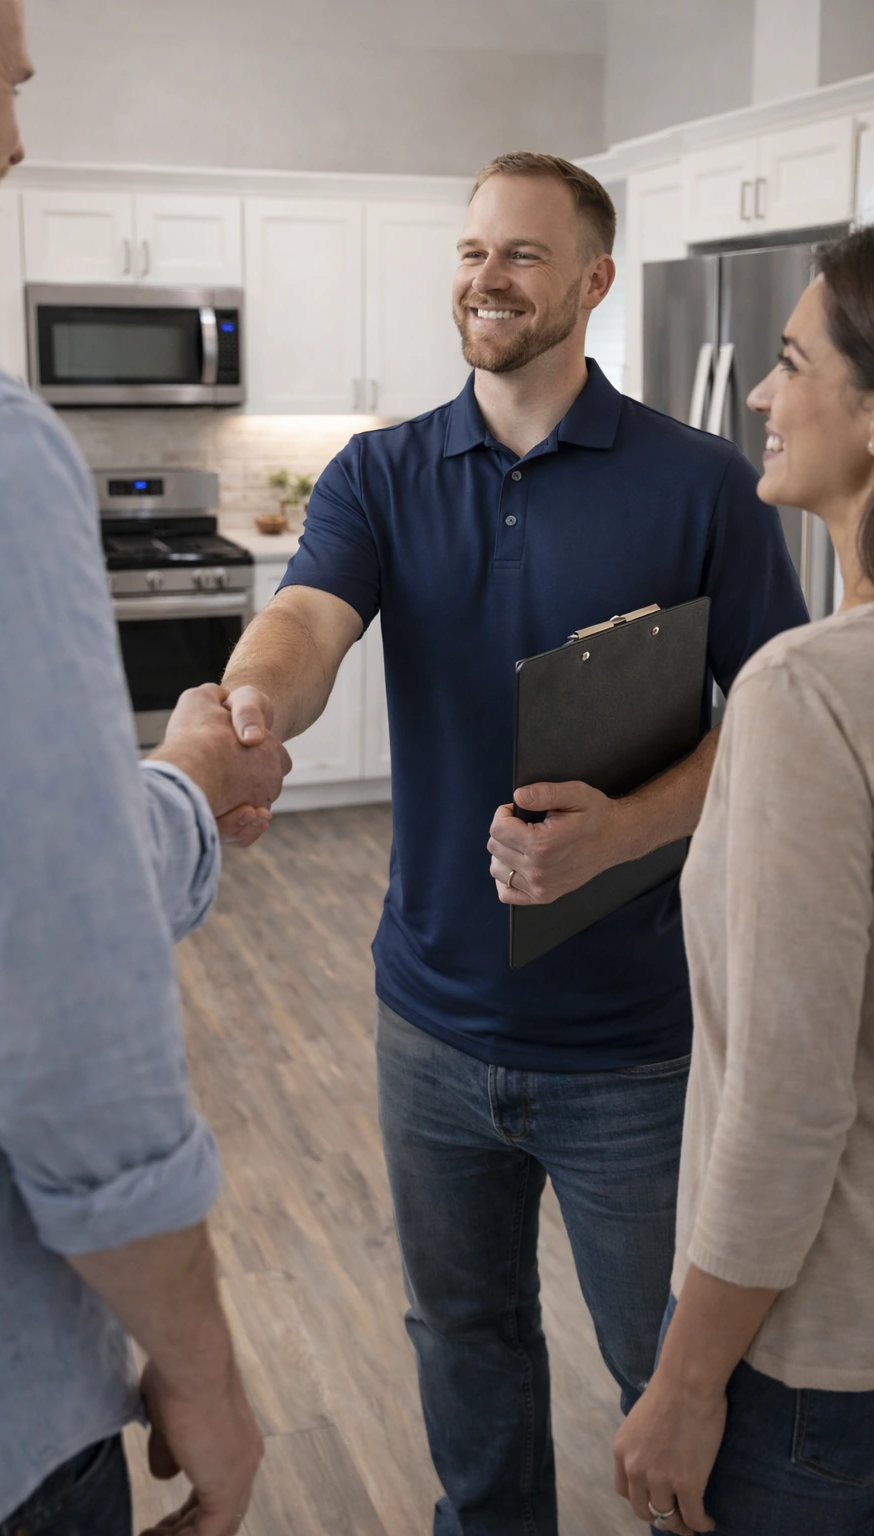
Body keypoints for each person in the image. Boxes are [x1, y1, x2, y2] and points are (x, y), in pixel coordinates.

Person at [218, 150, 809, 1535]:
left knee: (666, 1382)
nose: (487, 278)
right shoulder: (382, 473)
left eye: (523, 254)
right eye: (473, 250)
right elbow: (306, 622)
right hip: (429, 1023)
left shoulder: (702, 482)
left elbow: (778, 721)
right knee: (463, 1342)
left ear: (594, 282)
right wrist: (249, 703)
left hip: (635, 1045)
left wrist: (629, 831)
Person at [0, 2, 290, 1534]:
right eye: (15, 79)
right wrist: (206, 1376)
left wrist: (170, 793)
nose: (22, 138)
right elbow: (68, 1031)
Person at [612, 228, 874, 1536]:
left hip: (816, 1351)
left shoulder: (807, 690)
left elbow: (787, 1093)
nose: (760, 395)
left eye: (791, 361)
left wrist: (684, 1379)